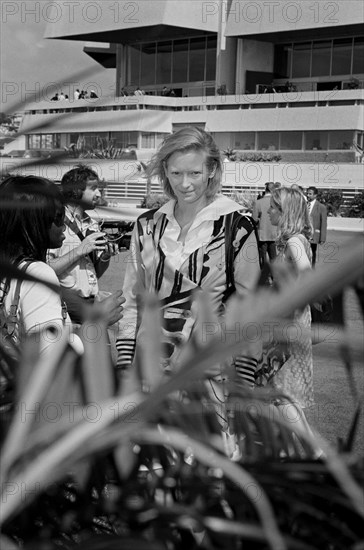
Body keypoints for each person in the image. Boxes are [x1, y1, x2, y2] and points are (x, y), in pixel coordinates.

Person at [115, 127, 261, 391]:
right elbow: (131, 300)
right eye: (176, 173)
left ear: (212, 170)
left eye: (195, 173)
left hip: (209, 380)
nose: (185, 184)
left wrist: (245, 385)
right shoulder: (147, 226)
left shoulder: (237, 227)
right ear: (165, 172)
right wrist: (125, 366)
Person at [261, 187, 314, 434]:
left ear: (284, 212)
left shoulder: (294, 241)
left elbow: (307, 277)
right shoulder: (292, 241)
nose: (269, 210)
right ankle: (297, 452)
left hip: (289, 324)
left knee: (281, 392)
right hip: (285, 321)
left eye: (273, 207)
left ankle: (317, 455)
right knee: (278, 391)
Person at [0, 175, 71, 360]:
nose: (64, 226)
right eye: (58, 217)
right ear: (34, 220)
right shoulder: (38, 273)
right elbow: (50, 360)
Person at [47, 165, 124, 325]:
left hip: (89, 302)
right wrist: (80, 250)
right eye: (94, 188)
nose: (99, 193)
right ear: (76, 190)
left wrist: (105, 257)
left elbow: (95, 274)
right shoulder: (54, 222)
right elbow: (44, 270)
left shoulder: (92, 225)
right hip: (63, 308)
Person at [252, 182, 277, 277]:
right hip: (274, 234)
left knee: (262, 258)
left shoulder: (258, 202)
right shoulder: (277, 202)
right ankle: (274, 277)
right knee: (273, 258)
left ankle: (264, 278)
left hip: (262, 235)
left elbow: (254, 219)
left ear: (265, 190)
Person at [306, 186, 327, 266]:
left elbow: (324, 223)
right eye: (307, 193)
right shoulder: (304, 205)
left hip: (314, 235)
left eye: (310, 194)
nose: (308, 195)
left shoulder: (321, 207)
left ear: (315, 195)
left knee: (312, 253)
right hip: (303, 234)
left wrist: (322, 238)